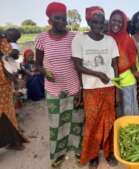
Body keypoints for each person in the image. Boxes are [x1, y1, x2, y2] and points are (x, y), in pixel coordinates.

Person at [34, 2, 84, 168]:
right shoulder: (41, 39)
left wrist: (80, 90)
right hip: (54, 90)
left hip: (73, 88)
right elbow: (38, 64)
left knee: (76, 123)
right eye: (58, 19)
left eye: (64, 18)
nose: (63, 21)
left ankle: (77, 152)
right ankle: (57, 156)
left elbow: (79, 64)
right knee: (57, 125)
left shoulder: (74, 37)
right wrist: (45, 72)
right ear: (50, 21)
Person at [72, 6, 119, 169]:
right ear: (89, 21)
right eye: (95, 22)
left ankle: (109, 152)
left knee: (110, 121)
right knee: (92, 123)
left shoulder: (110, 41)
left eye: (101, 22)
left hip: (109, 87)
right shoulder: (80, 40)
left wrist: (117, 90)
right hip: (90, 89)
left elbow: (115, 66)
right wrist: (98, 74)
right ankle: (92, 155)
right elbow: (77, 66)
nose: (99, 25)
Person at [108, 9, 139, 116]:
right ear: (109, 20)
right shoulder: (105, 37)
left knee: (129, 112)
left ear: (124, 23)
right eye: (114, 20)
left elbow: (132, 60)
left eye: (120, 21)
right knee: (116, 113)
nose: (116, 24)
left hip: (127, 82)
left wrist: (136, 73)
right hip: (110, 82)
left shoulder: (127, 39)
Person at [0, 32, 27, 150]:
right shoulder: (2, 39)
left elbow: (13, 55)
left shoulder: (3, 40)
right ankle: (15, 142)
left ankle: (15, 142)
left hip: (3, 82)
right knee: (7, 112)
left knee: (7, 112)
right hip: (4, 81)